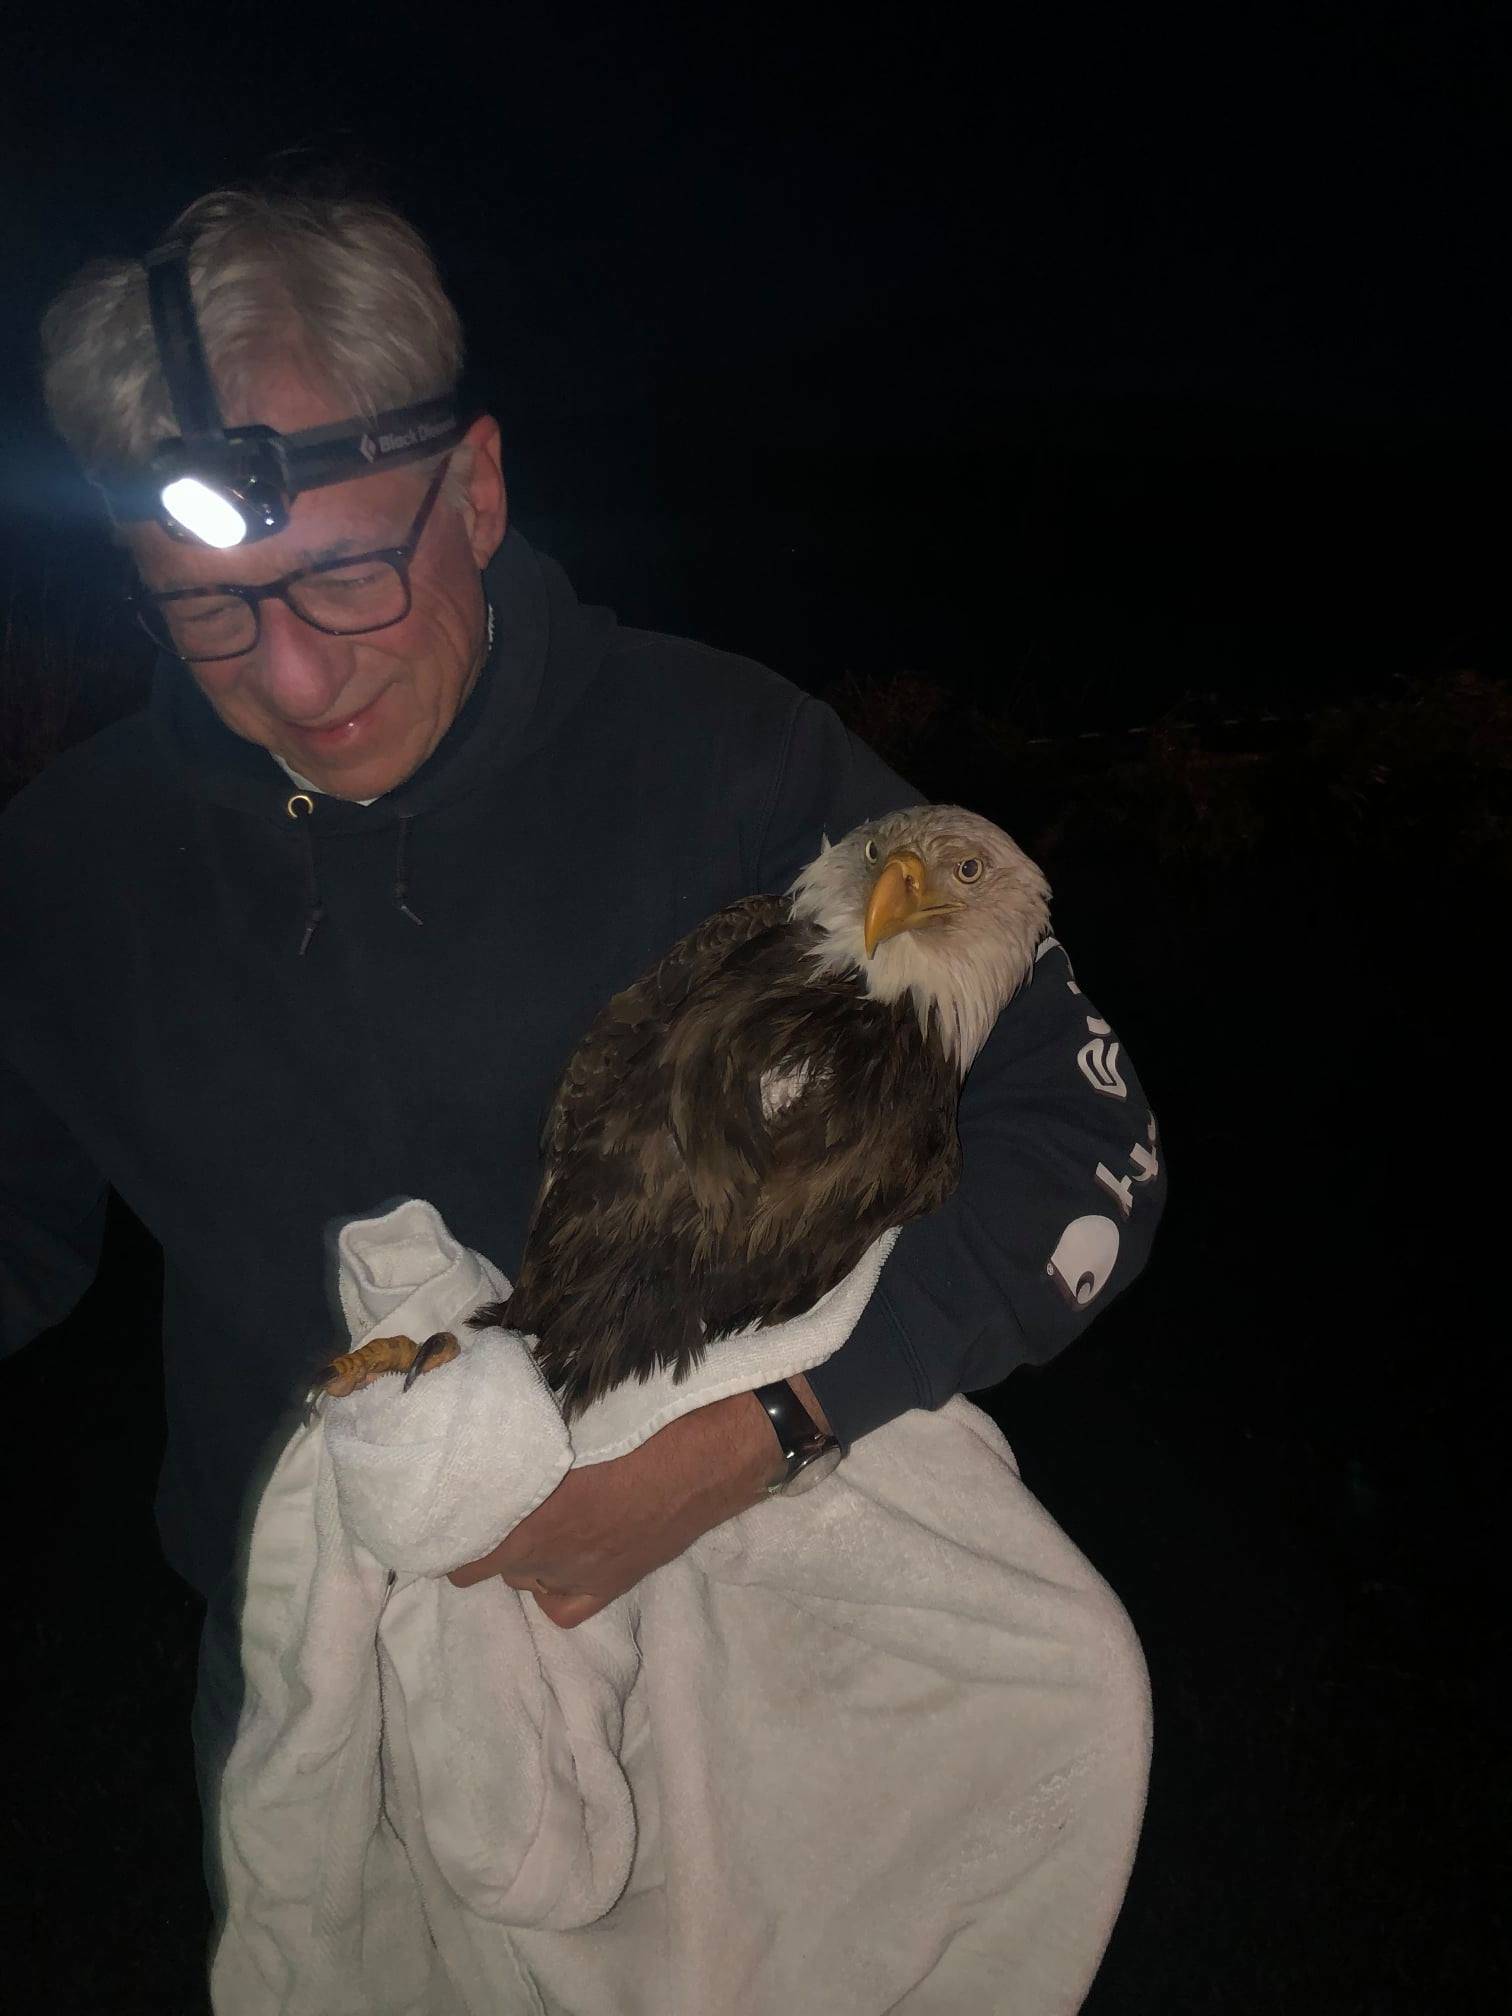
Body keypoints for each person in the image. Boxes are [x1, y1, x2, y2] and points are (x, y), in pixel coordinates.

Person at [5, 184, 1165, 1980]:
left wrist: (750, 1439)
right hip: (335, 1692)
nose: (291, 677)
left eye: (340, 575)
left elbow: (1086, 1146)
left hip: (755, 1631)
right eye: (204, 617)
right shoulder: (70, 871)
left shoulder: (730, 766)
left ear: (474, 493)